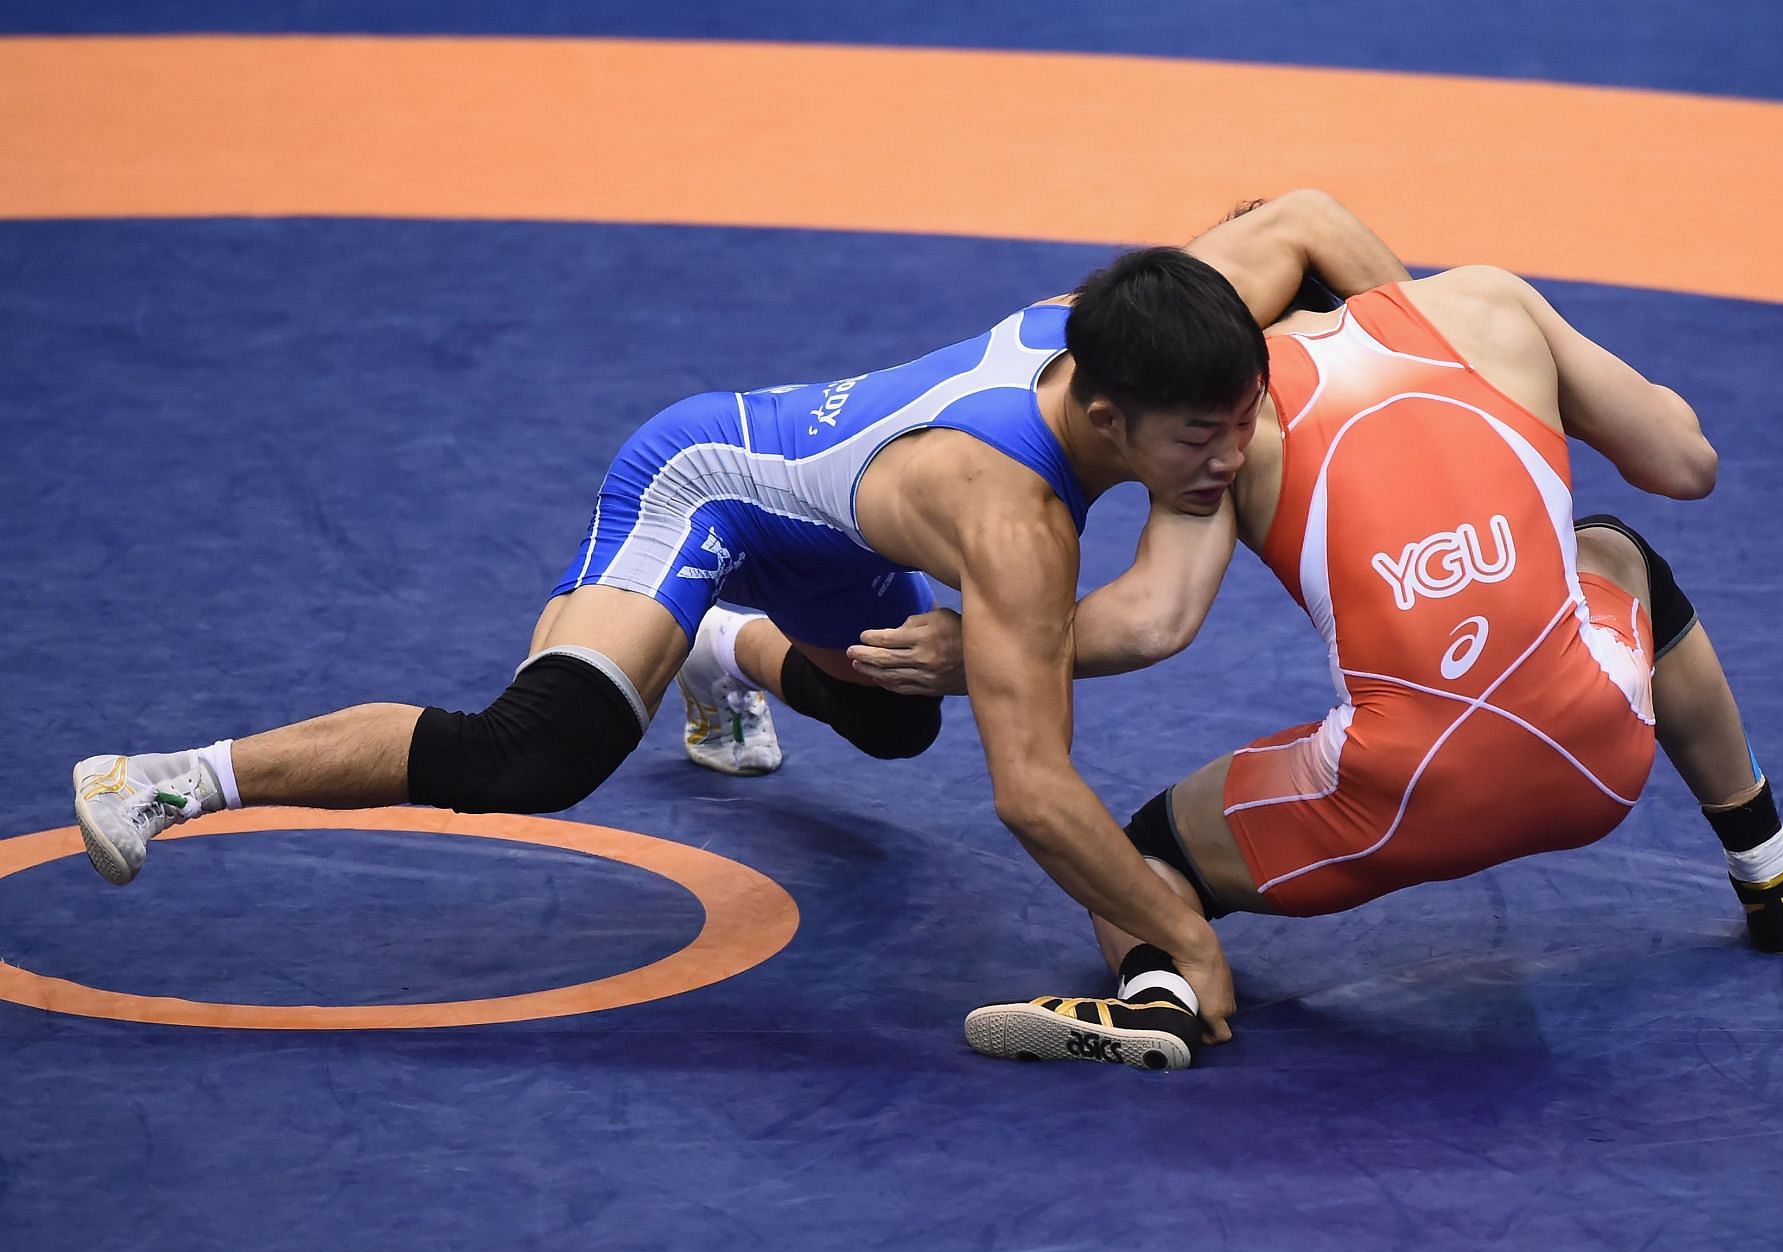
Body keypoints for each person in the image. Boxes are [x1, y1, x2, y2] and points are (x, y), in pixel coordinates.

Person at [69, 192, 1408, 1039]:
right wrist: (1179, 936)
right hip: (706, 481)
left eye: (1244, 417)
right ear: (1107, 419)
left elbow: (1299, 217)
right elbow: (1038, 795)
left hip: (836, 526)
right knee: (535, 752)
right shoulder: (1016, 530)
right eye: (1205, 434)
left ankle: (714, 648)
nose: (1239, 454)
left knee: (891, 726)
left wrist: (1435, 376)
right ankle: (173, 776)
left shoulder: (1157, 325)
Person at [837, 263, 1783, 1070]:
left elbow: (1151, 624)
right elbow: (1687, 465)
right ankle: (1773, 870)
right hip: (1596, 760)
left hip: (1396, 797)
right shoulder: (1490, 304)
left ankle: (1162, 993)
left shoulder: (1228, 428)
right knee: (1616, 551)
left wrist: (980, 654)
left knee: (1138, 856)